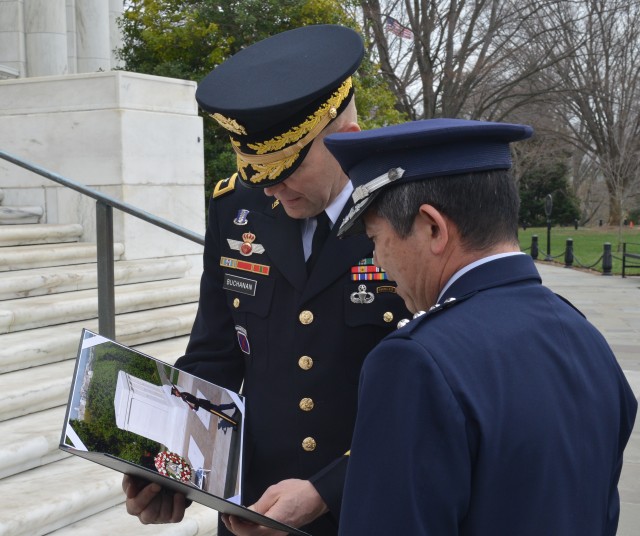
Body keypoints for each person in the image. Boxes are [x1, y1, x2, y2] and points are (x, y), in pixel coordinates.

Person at [122, 24, 409, 535]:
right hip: (252, 515)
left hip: (368, 506)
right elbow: (215, 352)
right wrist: (171, 465)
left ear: (346, 141)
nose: (270, 189)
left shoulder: (404, 211)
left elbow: (428, 396)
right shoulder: (238, 209)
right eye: (257, 171)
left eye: (285, 169)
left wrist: (330, 489)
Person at [321, 118, 638, 535]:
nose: (377, 262)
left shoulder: (414, 362)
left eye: (376, 238)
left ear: (433, 227)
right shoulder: (584, 337)